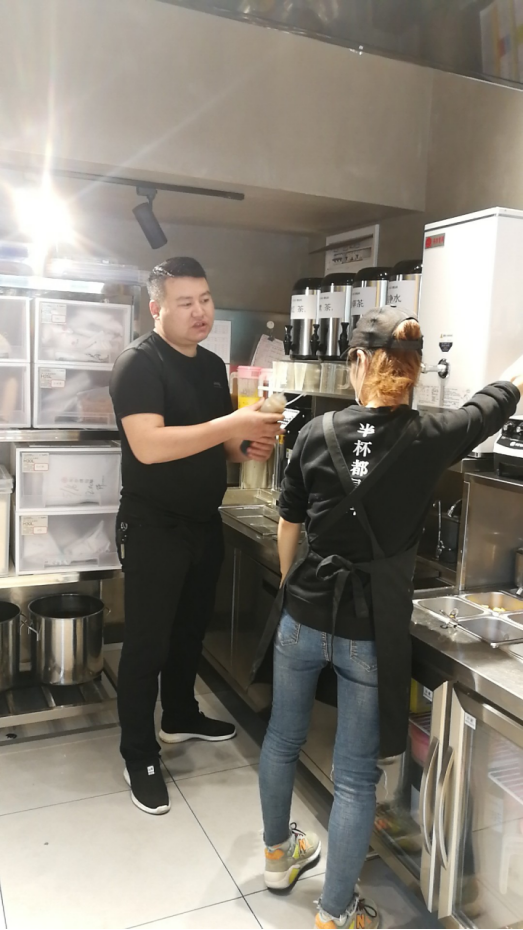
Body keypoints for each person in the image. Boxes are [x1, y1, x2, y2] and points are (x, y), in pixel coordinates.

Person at [256, 305, 523, 930]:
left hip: (302, 615)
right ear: (415, 370)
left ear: (357, 361)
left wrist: (296, 589)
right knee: (354, 776)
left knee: (282, 739)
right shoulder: (431, 435)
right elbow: (493, 403)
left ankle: (276, 858)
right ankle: (336, 913)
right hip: (367, 628)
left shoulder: (317, 432)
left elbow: (289, 524)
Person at [110, 257, 282, 815]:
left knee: (189, 632)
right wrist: (232, 425)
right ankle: (139, 753)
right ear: (156, 309)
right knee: (147, 644)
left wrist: (249, 443)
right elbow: (150, 446)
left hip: (203, 521)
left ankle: (180, 714)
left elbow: (219, 444)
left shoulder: (210, 365)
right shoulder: (138, 364)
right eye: (185, 302)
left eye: (205, 299)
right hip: (154, 526)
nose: (200, 311)